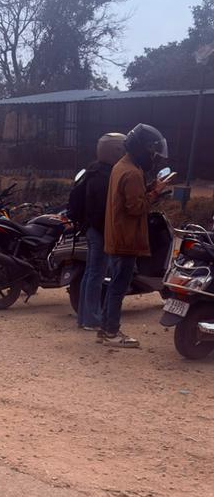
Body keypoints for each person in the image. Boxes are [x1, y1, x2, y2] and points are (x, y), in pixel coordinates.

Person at [101, 124, 169, 348]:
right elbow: (135, 207)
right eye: (150, 151)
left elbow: (130, 196)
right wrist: (156, 193)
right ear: (141, 148)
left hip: (117, 236)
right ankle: (111, 332)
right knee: (119, 287)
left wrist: (150, 187)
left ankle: (105, 329)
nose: (152, 156)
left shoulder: (123, 166)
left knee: (114, 286)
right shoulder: (131, 172)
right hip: (126, 239)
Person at [68, 133, 126, 332]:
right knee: (96, 275)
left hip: (91, 229)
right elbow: (102, 209)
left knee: (91, 273)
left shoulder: (93, 170)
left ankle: (85, 317)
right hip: (101, 230)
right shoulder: (106, 176)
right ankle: (92, 318)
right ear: (116, 151)